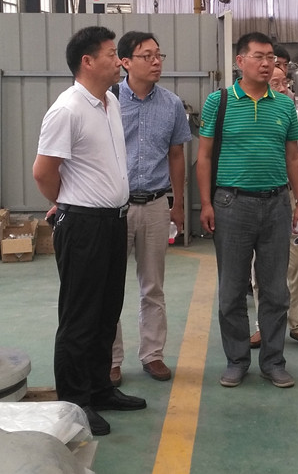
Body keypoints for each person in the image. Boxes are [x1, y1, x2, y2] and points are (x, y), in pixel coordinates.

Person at [33, 26, 146, 437]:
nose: (119, 61)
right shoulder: (67, 109)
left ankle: (99, 389)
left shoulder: (109, 103)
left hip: (113, 221)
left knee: (105, 312)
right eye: (111, 54)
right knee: (79, 318)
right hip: (83, 225)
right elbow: (43, 171)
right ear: (88, 61)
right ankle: (75, 402)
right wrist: (67, 201)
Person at [196, 32, 298, 389]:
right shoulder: (219, 102)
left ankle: (273, 361)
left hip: (276, 205)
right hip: (232, 204)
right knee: (232, 290)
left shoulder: (284, 106)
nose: (266, 63)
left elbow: (294, 157)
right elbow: (204, 156)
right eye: (258, 56)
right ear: (240, 61)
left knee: (275, 290)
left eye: (271, 58)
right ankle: (236, 360)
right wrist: (206, 203)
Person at [108, 31, 192, 387]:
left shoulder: (171, 104)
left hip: (156, 204)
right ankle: (110, 359)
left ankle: (153, 354)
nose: (156, 62)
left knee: (153, 285)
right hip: (115, 207)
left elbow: (177, 155)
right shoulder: (108, 101)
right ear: (125, 62)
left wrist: (178, 204)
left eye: (159, 55)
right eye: (147, 56)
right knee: (109, 287)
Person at [249, 65, 298, 351]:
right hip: (257, 199)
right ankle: (264, 325)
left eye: (285, 83)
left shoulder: (296, 117)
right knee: (261, 268)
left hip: (291, 199)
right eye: (276, 83)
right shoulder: (250, 114)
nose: (283, 89)